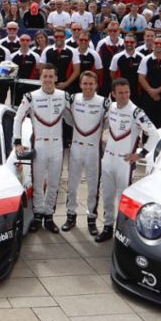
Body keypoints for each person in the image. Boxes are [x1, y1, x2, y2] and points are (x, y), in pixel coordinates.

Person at [93, 78, 157, 243]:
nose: (124, 96)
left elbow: (155, 135)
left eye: (126, 92)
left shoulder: (136, 112)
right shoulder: (111, 106)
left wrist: (141, 154)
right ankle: (107, 227)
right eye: (120, 93)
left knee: (123, 197)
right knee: (107, 195)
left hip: (125, 162)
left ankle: (122, 231)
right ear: (113, 94)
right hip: (107, 158)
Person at [14, 65, 68, 234]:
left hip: (58, 146)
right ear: (40, 78)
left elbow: (73, 118)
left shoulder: (64, 96)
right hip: (40, 145)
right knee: (38, 183)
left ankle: (49, 216)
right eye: (45, 76)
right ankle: (37, 215)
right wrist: (17, 142)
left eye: (51, 76)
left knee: (53, 183)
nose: (48, 80)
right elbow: (17, 118)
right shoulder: (31, 96)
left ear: (56, 78)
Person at [63, 70, 106, 234]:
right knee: (72, 183)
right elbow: (68, 119)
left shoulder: (103, 102)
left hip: (94, 149)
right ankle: (70, 215)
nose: (88, 87)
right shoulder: (73, 99)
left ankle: (91, 219)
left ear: (96, 85)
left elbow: (107, 123)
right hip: (76, 147)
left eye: (91, 84)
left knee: (93, 185)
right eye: (85, 83)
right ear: (80, 84)